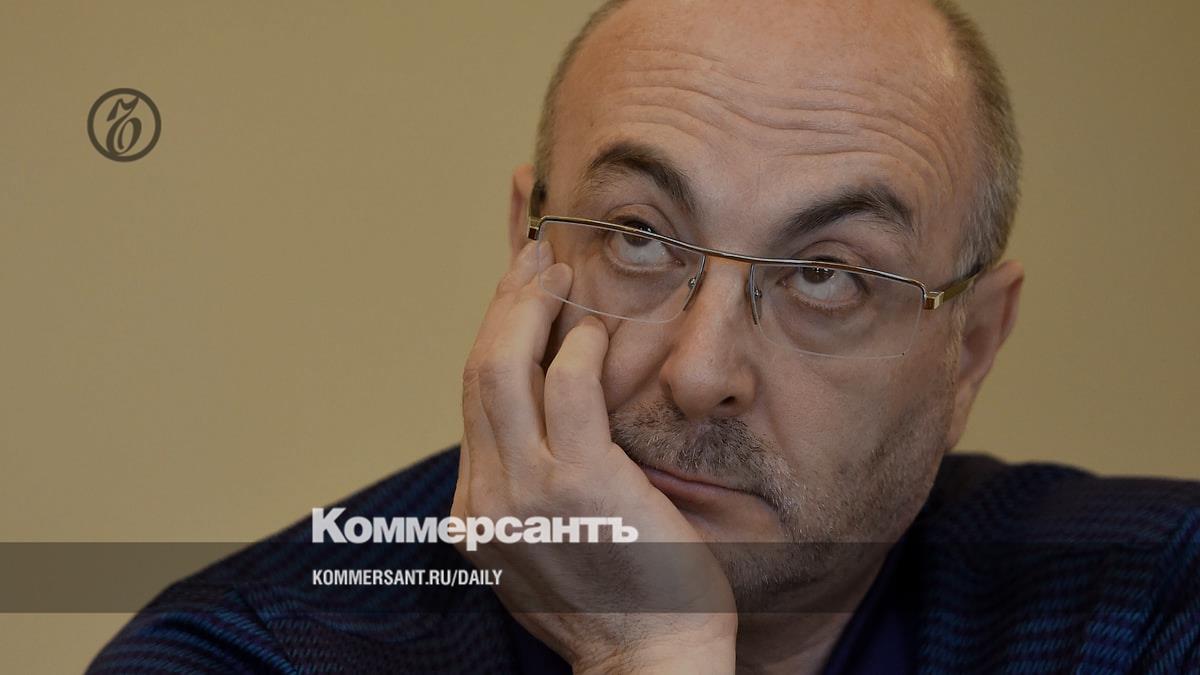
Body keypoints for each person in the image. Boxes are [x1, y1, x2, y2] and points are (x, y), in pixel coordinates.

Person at [90, 0, 1200, 673]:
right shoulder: (251, 652)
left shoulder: (1157, 602)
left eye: (826, 275)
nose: (700, 370)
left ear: (971, 349)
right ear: (526, 250)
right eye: (639, 237)